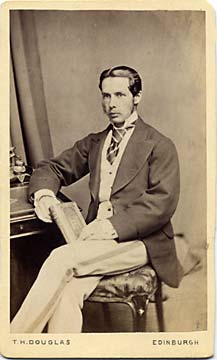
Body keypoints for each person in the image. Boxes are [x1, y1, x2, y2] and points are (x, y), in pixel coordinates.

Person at [11, 65, 183, 333]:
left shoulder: (160, 145)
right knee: (67, 294)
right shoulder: (95, 143)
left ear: (136, 97)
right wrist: (43, 194)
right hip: (96, 241)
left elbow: (162, 203)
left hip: (140, 240)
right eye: (105, 96)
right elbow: (51, 168)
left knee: (61, 259)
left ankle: (16, 340)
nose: (111, 104)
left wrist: (110, 226)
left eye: (119, 95)